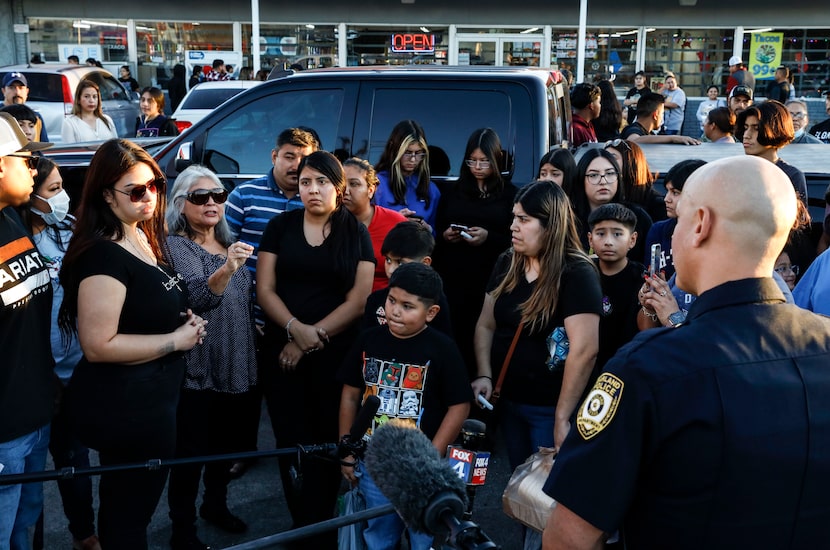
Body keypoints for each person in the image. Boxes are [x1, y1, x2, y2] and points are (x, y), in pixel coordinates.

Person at [542, 155, 830, 549]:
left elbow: (570, 538)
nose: (671, 236)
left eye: (679, 220)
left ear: (700, 225)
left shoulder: (648, 367)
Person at [57, 139, 205, 550]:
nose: (151, 197)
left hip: (154, 400)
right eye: (136, 190)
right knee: (127, 516)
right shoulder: (103, 256)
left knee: (132, 510)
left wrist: (183, 320)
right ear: (106, 194)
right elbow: (98, 345)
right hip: (126, 408)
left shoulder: (140, 236)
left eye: (155, 185)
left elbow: (146, 306)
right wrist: (175, 339)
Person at [256, 150, 374, 545]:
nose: (312, 189)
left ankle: (320, 522)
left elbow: (358, 300)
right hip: (282, 355)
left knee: (327, 439)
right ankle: (300, 523)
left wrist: (309, 338)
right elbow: (265, 289)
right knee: (291, 439)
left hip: (334, 357)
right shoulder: (280, 226)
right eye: (305, 182)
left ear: (338, 188)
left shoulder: (354, 231)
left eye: (322, 182)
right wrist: (292, 329)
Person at [338, 262, 471, 550]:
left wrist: (431, 457)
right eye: (391, 300)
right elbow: (350, 395)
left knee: (422, 537)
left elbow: (459, 406)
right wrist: (346, 450)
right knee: (378, 534)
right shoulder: (368, 340)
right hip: (373, 462)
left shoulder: (443, 349)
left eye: (408, 306)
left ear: (431, 313)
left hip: (421, 469)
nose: (395, 311)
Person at [471, 181, 602, 472]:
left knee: (545, 499)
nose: (513, 227)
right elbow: (485, 324)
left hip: (549, 407)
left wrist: (562, 417)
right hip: (507, 401)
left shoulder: (577, 273)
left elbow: (585, 350)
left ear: (550, 225)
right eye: (514, 217)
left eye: (524, 220)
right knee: (520, 491)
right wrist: (483, 373)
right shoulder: (508, 262)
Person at [163, 165, 257, 550]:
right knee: (191, 453)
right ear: (181, 205)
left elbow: (241, 298)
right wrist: (230, 266)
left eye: (218, 194)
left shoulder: (228, 240)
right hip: (200, 362)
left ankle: (215, 505)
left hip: (237, 355)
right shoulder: (177, 245)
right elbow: (200, 295)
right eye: (201, 197)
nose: (212, 202)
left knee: (226, 446)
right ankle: (182, 529)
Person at [224, 127, 318, 477]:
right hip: (248, 315)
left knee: (289, 398)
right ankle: (241, 452)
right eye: (289, 156)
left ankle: (294, 458)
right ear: (274, 156)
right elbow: (222, 252)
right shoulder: (245, 195)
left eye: (303, 157)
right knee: (244, 392)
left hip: (295, 318)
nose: (296, 165)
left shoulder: (315, 198)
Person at [17, 156, 99, 550]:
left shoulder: (69, 230)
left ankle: (84, 534)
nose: (64, 197)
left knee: (75, 468)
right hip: (32, 381)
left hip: (74, 374)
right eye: (53, 190)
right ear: (29, 198)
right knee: (28, 486)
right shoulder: (15, 239)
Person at [0, 112, 54, 550]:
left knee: (25, 530)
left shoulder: (13, 217)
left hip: (35, 416)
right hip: (3, 434)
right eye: (26, 160)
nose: (34, 169)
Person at [433, 128, 517, 377]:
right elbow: (438, 227)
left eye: (484, 161)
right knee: (454, 334)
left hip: (489, 277)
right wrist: (446, 235)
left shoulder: (509, 194)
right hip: (454, 276)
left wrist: (488, 236)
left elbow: (514, 238)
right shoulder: (454, 191)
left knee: (483, 333)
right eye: (472, 160)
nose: (478, 167)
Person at [361, 220, 453, 336]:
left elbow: (441, 345)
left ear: (425, 263)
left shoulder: (435, 302)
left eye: (400, 263)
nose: (390, 270)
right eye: (388, 260)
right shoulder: (375, 299)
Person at [564, 147, 653, 262]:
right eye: (593, 175)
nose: (603, 181)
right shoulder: (568, 220)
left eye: (610, 173)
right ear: (581, 180)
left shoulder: (639, 217)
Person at [586, 203, 643, 372]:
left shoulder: (641, 277)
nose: (608, 242)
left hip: (626, 367)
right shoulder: (582, 273)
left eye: (618, 234)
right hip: (588, 366)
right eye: (601, 234)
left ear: (632, 240)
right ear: (590, 239)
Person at [341, 157, 407, 291]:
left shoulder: (396, 223)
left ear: (371, 190)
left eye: (354, 184)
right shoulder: (326, 222)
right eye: (341, 184)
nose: (345, 191)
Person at [373, 119, 441, 230]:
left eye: (418, 153)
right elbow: (365, 229)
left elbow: (435, 232)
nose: (413, 159)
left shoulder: (431, 190)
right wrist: (394, 221)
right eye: (407, 152)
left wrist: (427, 229)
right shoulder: (376, 185)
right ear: (394, 149)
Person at [604, 138, 665, 223]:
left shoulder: (657, 205)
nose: (605, 162)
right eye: (604, 157)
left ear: (630, 162)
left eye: (612, 157)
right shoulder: (604, 198)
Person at [620, 92, 700, 145]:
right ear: (655, 115)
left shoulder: (650, 134)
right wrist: (673, 138)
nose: (662, 117)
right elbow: (633, 140)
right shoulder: (633, 130)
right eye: (662, 113)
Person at [61, 79, 118, 143]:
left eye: (94, 97)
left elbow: (116, 146)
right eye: (86, 96)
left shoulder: (107, 120)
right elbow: (70, 151)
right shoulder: (70, 123)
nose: (91, 100)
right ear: (79, 99)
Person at [2, 72, 49, 141]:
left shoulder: (36, 117)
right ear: (3, 91)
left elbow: (43, 147)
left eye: (21, 88)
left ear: (27, 91)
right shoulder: (1, 117)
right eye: (12, 88)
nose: (17, 92)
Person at [568, 82, 600, 147]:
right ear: (591, 106)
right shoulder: (576, 130)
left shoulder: (588, 125)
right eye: (598, 102)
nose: (600, 106)